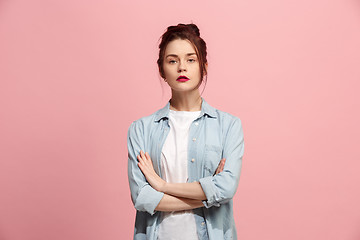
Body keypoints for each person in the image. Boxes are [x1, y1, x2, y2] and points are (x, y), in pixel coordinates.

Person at [127, 23, 245, 240]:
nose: (182, 67)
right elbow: (142, 197)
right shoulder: (141, 129)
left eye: (191, 59)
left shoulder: (228, 126)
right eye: (173, 60)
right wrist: (208, 194)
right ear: (162, 69)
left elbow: (226, 188)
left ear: (204, 66)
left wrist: (162, 186)